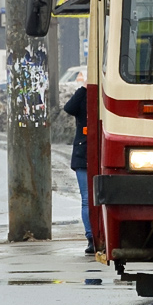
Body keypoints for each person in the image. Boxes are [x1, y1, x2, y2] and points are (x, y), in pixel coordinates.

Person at [62, 85, 93, 255]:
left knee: (97, 199)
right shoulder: (84, 96)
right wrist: (83, 88)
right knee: (87, 199)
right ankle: (91, 238)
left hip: (101, 153)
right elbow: (69, 108)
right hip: (83, 154)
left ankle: (100, 235)